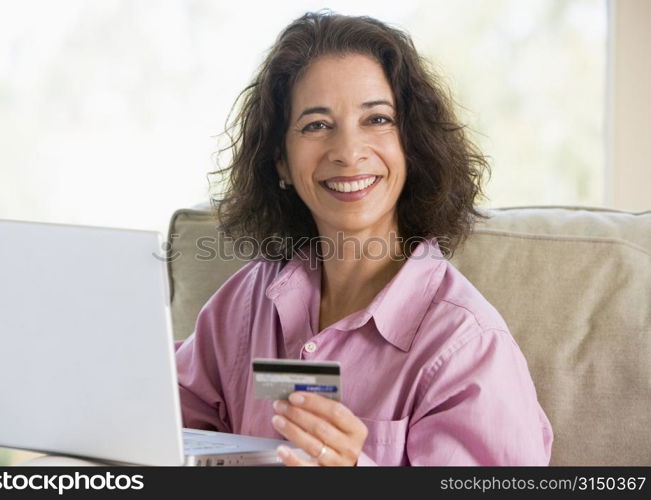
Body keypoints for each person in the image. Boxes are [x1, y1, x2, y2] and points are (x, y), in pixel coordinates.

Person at [175, 11, 553, 466]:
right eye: (316, 125)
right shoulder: (243, 304)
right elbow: (161, 428)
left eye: (376, 119)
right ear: (280, 160)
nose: (348, 152)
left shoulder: (468, 345)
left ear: (410, 145)